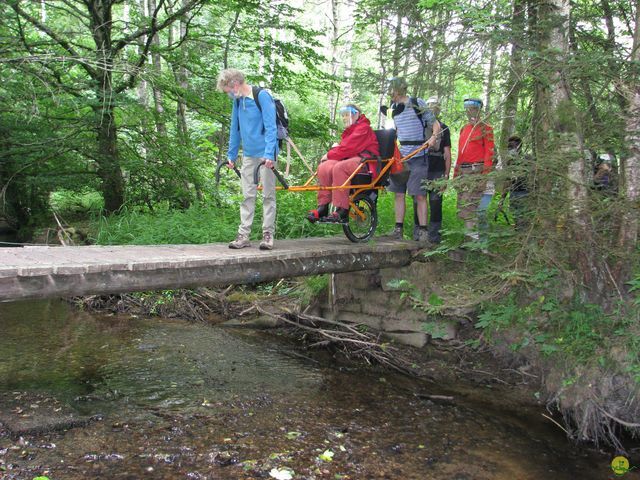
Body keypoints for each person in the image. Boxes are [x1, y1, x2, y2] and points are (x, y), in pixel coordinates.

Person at [217, 69, 278, 250]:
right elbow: (234, 129)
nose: (228, 93)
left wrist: (269, 154)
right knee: (247, 195)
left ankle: (268, 234)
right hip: (249, 155)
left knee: (268, 194)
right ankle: (243, 235)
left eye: (227, 90)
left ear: (235, 84)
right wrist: (231, 155)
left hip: (266, 154)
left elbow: (271, 127)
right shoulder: (238, 101)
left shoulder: (262, 96)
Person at [382, 77, 441, 243]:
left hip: (419, 156)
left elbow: (435, 124)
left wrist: (433, 138)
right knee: (398, 194)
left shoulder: (417, 103)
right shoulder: (392, 108)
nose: (390, 94)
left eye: (392, 90)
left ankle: (423, 232)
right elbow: (391, 131)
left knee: (419, 195)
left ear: (399, 89)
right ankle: (398, 229)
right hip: (401, 157)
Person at [307, 105, 380, 223]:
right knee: (324, 167)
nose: (344, 118)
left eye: (347, 114)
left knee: (339, 167)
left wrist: (329, 154)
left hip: (364, 162)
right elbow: (344, 150)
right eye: (343, 115)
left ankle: (342, 210)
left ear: (356, 115)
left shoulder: (363, 128)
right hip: (350, 160)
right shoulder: (349, 131)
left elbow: (348, 148)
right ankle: (323, 207)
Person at [454, 98, 494, 240]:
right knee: (464, 205)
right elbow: (460, 153)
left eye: (474, 109)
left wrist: (485, 175)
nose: (470, 112)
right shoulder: (464, 129)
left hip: (477, 170)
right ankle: (469, 236)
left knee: (473, 204)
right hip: (464, 171)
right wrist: (456, 174)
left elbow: (489, 153)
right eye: (468, 109)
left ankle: (475, 239)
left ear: (479, 111)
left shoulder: (486, 128)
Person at [424, 97, 451, 244]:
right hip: (423, 168)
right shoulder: (421, 127)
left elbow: (447, 153)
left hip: (438, 170)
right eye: (430, 106)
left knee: (435, 203)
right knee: (419, 201)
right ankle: (420, 233)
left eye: (436, 106)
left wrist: (446, 175)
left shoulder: (444, 128)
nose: (433, 108)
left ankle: (434, 238)